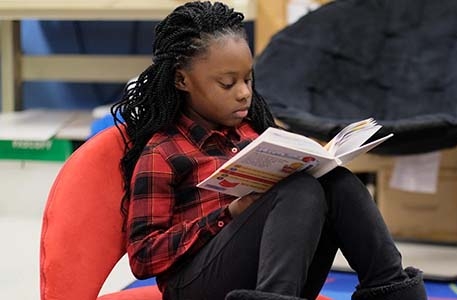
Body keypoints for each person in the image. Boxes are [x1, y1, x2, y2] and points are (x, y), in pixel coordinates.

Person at [111, 1, 427, 300]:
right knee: (299, 191)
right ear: (182, 79)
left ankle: (394, 291)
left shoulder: (251, 131)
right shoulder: (163, 152)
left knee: (338, 182)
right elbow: (143, 257)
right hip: (194, 286)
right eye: (227, 83)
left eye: (248, 79)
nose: (244, 93)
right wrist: (226, 216)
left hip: (270, 276)